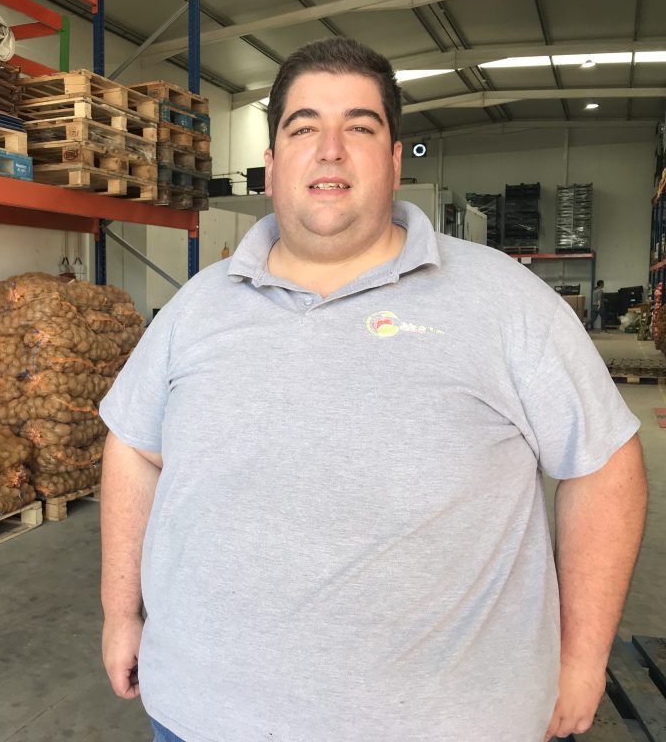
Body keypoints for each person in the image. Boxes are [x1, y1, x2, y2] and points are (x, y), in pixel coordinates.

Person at [99, 37, 647, 742]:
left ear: (392, 161)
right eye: (304, 128)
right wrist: (120, 614)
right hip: (200, 717)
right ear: (272, 164)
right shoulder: (196, 308)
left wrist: (582, 658)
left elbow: (606, 467)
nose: (330, 150)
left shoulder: (506, 303)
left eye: (358, 127)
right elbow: (133, 449)